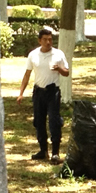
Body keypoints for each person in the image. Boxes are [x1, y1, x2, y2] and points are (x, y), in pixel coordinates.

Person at [16, 25, 70, 161]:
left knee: (54, 121)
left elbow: (66, 73)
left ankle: (55, 153)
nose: (48, 42)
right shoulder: (33, 55)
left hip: (53, 92)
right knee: (39, 122)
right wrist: (21, 93)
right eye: (45, 39)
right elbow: (27, 74)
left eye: (50, 39)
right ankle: (43, 150)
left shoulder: (58, 54)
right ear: (39, 40)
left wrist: (59, 69)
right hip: (38, 92)